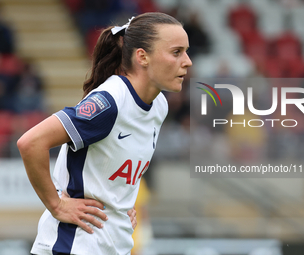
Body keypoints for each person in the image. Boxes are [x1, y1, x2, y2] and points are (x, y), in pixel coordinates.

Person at [17, 12, 192, 255]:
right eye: (176, 52)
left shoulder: (159, 105)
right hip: (72, 246)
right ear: (142, 57)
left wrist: (121, 204)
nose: (188, 61)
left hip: (113, 246)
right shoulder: (110, 102)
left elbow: (115, 165)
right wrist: (56, 204)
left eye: (186, 51)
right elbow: (31, 143)